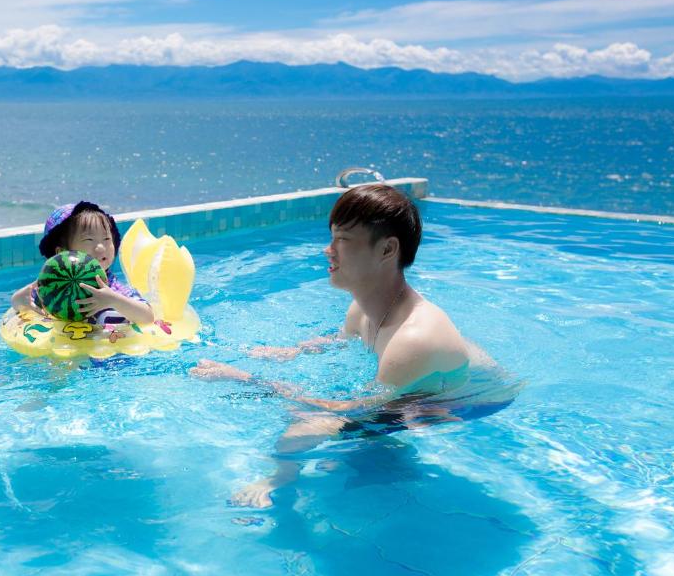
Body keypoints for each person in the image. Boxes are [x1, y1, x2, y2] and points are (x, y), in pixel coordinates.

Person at [191, 183, 484, 507]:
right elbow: (345, 340)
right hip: (412, 387)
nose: (327, 250)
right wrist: (294, 352)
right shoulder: (363, 307)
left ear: (387, 250)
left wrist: (246, 379)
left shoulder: (412, 340)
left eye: (342, 240)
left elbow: (351, 409)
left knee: (297, 436)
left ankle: (281, 480)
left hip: (461, 404)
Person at [11, 201, 154, 326]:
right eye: (89, 240)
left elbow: (148, 317)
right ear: (62, 253)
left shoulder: (114, 289)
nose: (100, 247)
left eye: (106, 239)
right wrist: (19, 299)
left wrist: (114, 300)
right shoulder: (52, 288)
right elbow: (17, 304)